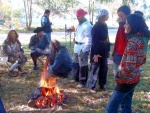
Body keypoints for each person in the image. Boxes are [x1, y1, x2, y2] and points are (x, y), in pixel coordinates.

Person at [106, 14, 150, 113]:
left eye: (126, 23)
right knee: (126, 106)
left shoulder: (133, 43)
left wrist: (119, 75)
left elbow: (129, 66)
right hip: (135, 77)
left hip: (126, 81)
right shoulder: (142, 39)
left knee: (110, 108)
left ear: (132, 25)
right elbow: (142, 60)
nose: (124, 26)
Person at [87, 9, 110, 93]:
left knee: (104, 67)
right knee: (95, 67)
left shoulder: (105, 25)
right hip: (97, 48)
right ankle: (91, 86)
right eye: (107, 15)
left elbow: (107, 38)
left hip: (104, 48)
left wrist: (108, 49)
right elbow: (95, 41)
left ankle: (102, 84)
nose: (108, 17)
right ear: (103, 16)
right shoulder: (96, 27)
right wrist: (96, 53)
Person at [69, 8, 92, 88]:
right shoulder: (79, 24)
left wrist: (85, 49)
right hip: (77, 46)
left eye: (78, 16)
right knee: (75, 63)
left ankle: (82, 81)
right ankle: (76, 78)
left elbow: (89, 39)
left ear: (82, 16)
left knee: (83, 64)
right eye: (77, 16)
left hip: (83, 46)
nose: (77, 18)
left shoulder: (87, 25)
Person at [112, 5, 131, 77]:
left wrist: (122, 25)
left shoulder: (129, 26)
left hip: (124, 54)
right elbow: (117, 40)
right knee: (116, 75)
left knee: (123, 76)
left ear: (127, 15)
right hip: (117, 53)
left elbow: (125, 39)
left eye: (122, 16)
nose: (119, 18)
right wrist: (114, 52)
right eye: (118, 16)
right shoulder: (121, 26)